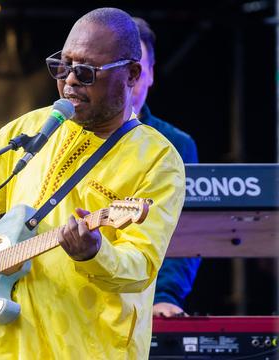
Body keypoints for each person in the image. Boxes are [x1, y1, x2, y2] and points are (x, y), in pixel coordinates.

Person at [0, 8, 185, 359]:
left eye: (87, 71)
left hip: (89, 348)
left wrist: (95, 253)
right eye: (64, 65)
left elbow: (141, 265)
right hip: (9, 345)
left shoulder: (157, 159)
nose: (71, 80)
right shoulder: (32, 128)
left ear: (132, 74)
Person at [132, 17, 202, 317]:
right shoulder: (64, 135)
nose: (128, 79)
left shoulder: (175, 143)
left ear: (150, 75)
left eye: (136, 69)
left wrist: (166, 295)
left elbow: (184, 228)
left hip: (140, 298)